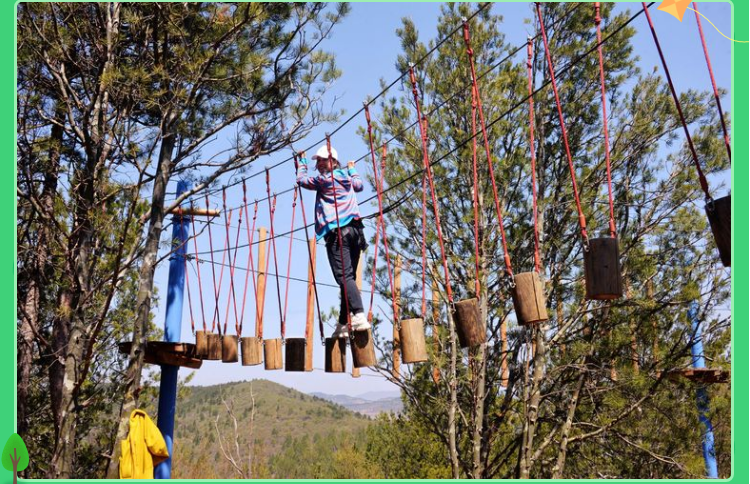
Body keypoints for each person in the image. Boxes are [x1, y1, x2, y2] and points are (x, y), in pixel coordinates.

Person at [296, 145, 369, 338]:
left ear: (333, 162)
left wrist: (302, 163)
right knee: (348, 278)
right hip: (356, 231)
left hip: (338, 233)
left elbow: (302, 180)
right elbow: (359, 185)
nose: (319, 164)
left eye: (323, 160)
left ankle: (359, 314)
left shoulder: (324, 179)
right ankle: (344, 322)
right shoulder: (346, 176)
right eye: (317, 161)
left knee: (344, 277)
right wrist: (352, 168)